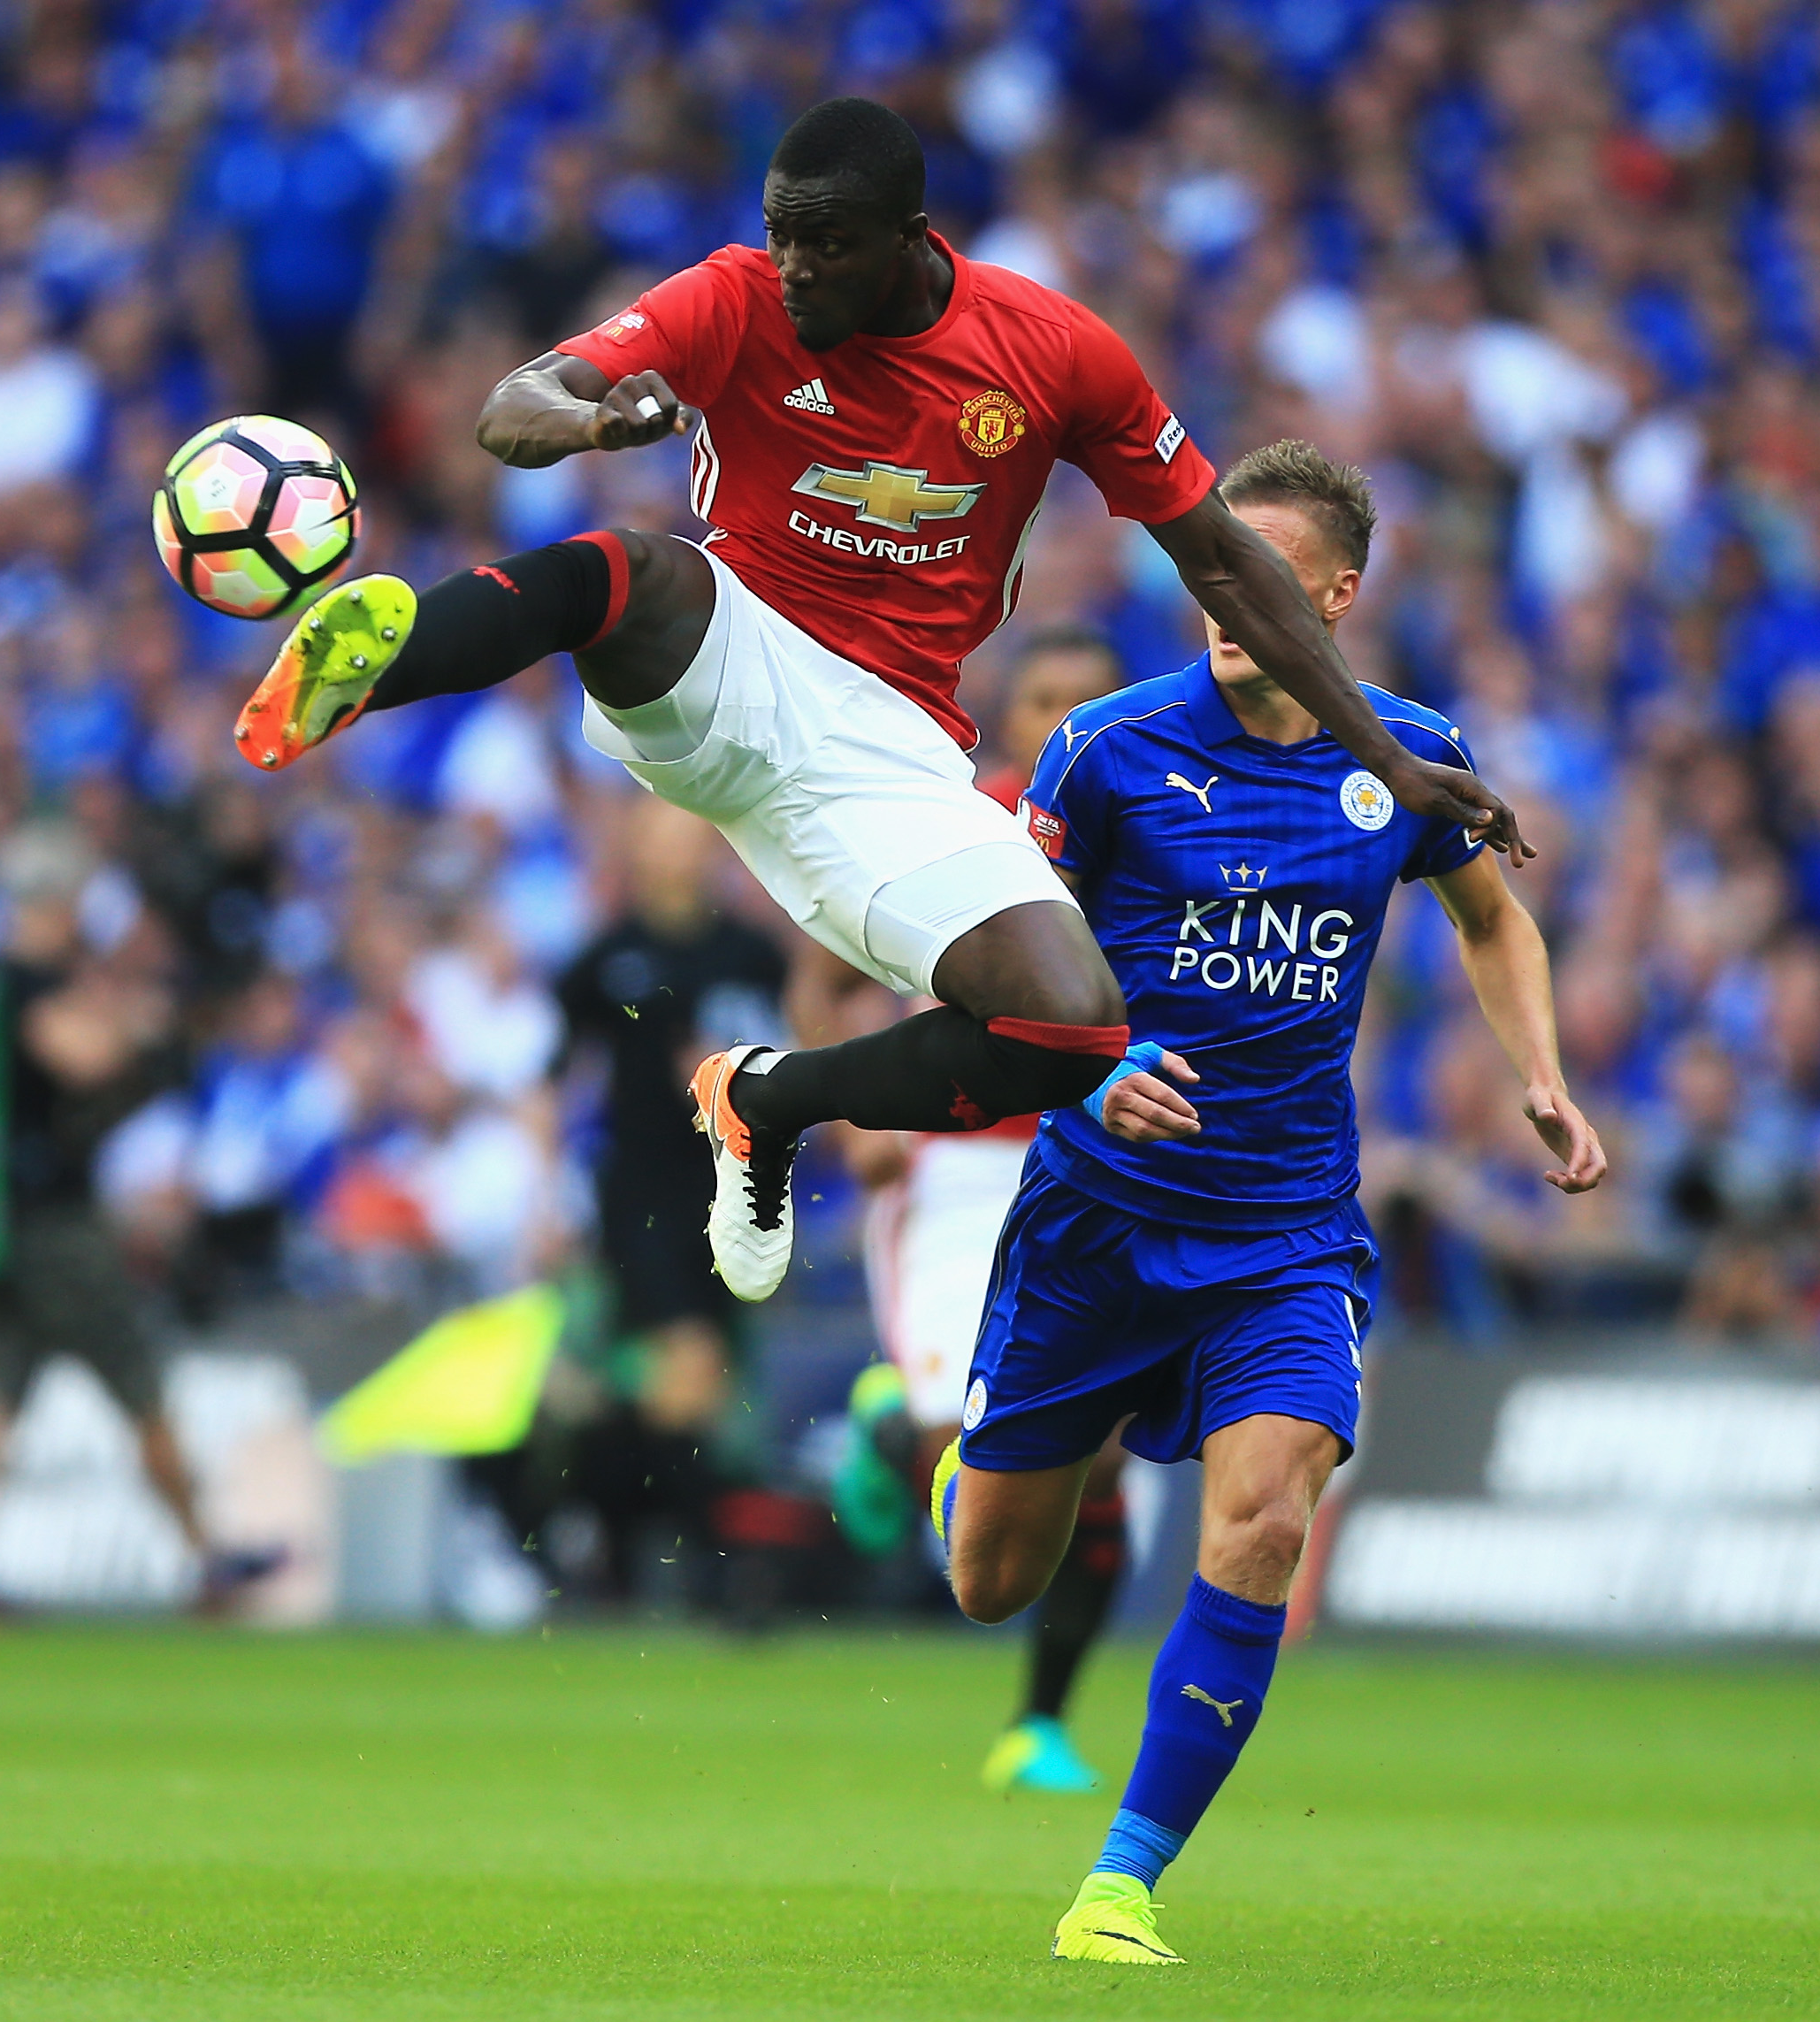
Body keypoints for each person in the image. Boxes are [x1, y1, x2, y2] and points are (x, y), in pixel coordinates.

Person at [229, 96, 1524, 1314]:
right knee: (631, 574)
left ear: (913, 242)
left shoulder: (1052, 353)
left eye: (828, 246)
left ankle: (771, 1102)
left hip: (889, 749)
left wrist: (1387, 757)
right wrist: (590, 420)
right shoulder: (734, 297)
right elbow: (514, 405)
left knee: (1067, 1025)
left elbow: (1225, 559)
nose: (794, 269)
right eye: (782, 235)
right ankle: (369, 668)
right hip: (729, 656)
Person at [927, 443, 1609, 1964]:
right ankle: (954, 1479)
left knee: (1262, 1519)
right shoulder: (1103, 748)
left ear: (1339, 598)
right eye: (1208, 571)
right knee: (989, 1580)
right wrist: (1085, 1074)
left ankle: (1120, 1883)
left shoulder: (1405, 756)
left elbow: (1494, 918)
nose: (1224, 601)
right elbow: (987, 962)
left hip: (1288, 1231)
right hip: (1095, 1218)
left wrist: (1540, 1074)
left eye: (1263, 581)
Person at [821, 623, 1133, 1792]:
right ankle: (894, 1426)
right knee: (969, 1445)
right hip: (953, 1162)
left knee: (1098, 1460)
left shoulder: (1161, 826)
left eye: (1085, 699)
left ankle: (1042, 1723)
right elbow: (834, 965)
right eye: (1044, 697)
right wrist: (857, 1107)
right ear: (1010, 715)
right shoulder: (948, 820)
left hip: (1098, 1162)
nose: (1062, 720)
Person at [0, 823, 279, 1628]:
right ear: (47, 901)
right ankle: (202, 1559)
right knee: (140, 1387)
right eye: (73, 901)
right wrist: (148, 1024)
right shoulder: (24, 986)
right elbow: (87, 1060)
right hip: (54, 1229)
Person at [550, 797, 788, 1592]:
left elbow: (792, 1062)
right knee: (689, 1365)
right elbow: (551, 1078)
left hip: (729, 1188)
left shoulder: (752, 957)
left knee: (690, 1390)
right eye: (659, 836)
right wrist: (544, 1196)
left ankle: (590, 1509)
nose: (676, 852)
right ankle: (724, 1577)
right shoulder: (605, 958)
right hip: (638, 1194)